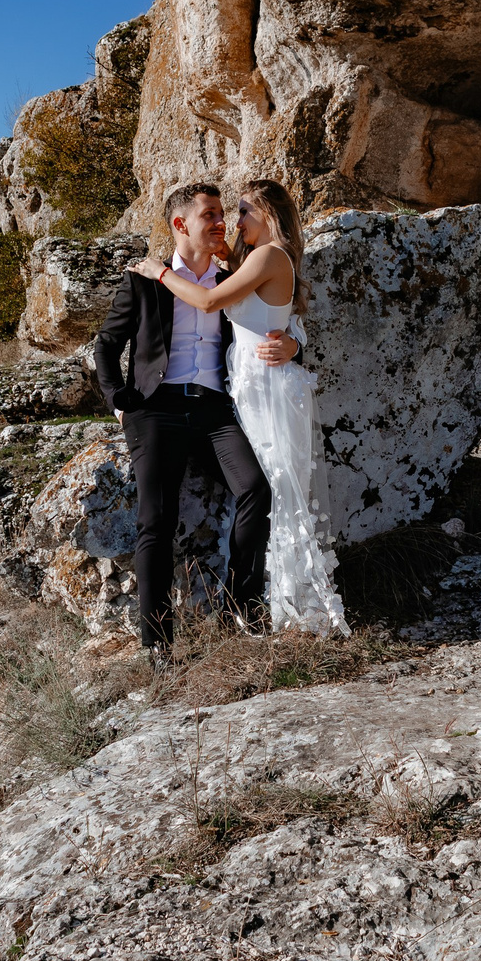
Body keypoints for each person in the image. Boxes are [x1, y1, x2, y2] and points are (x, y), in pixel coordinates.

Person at [131, 179, 349, 638]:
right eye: (224, 214)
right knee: (257, 491)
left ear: (268, 214)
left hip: (263, 395)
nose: (234, 221)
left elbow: (212, 301)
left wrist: (160, 271)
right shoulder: (251, 260)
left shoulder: (269, 257)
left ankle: (272, 602)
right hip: (237, 396)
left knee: (273, 490)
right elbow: (279, 318)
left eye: (245, 211)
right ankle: (217, 616)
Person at [92, 181, 301, 655]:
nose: (222, 221)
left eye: (224, 212)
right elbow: (106, 344)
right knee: (156, 522)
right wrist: (118, 400)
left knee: (254, 488)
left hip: (213, 408)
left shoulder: (234, 273)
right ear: (180, 224)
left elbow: (280, 318)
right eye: (210, 214)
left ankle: (240, 609)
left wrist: (295, 346)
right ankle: (158, 645)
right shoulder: (145, 279)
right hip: (156, 408)